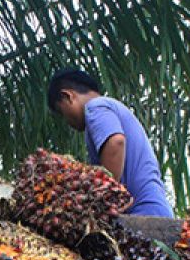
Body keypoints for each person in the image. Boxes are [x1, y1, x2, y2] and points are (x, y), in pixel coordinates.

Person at [47, 68, 173, 216]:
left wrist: (101, 202)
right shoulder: (109, 108)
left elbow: (116, 142)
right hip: (154, 209)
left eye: (63, 113)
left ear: (68, 96)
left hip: (143, 213)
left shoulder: (95, 107)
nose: (67, 122)